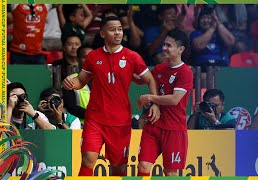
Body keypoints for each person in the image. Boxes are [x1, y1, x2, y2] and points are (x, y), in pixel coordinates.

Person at [63, 16, 159, 176]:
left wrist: (155, 102)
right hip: (95, 118)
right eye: (113, 29)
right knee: (88, 158)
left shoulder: (132, 56)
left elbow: (149, 79)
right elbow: (81, 80)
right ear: (102, 34)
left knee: (118, 168)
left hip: (120, 121)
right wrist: (70, 82)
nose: (118, 33)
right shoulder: (93, 57)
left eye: (120, 29)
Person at [136, 29, 193, 176]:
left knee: (170, 172)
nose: (164, 48)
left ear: (180, 49)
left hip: (174, 129)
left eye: (169, 45)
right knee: (143, 167)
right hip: (154, 125)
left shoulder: (185, 72)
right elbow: (141, 79)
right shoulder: (160, 68)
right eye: (164, 44)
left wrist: (150, 98)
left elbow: (174, 99)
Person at [62, 45, 93, 124]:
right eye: (85, 57)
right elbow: (70, 106)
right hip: (80, 125)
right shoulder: (70, 80)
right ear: (77, 59)